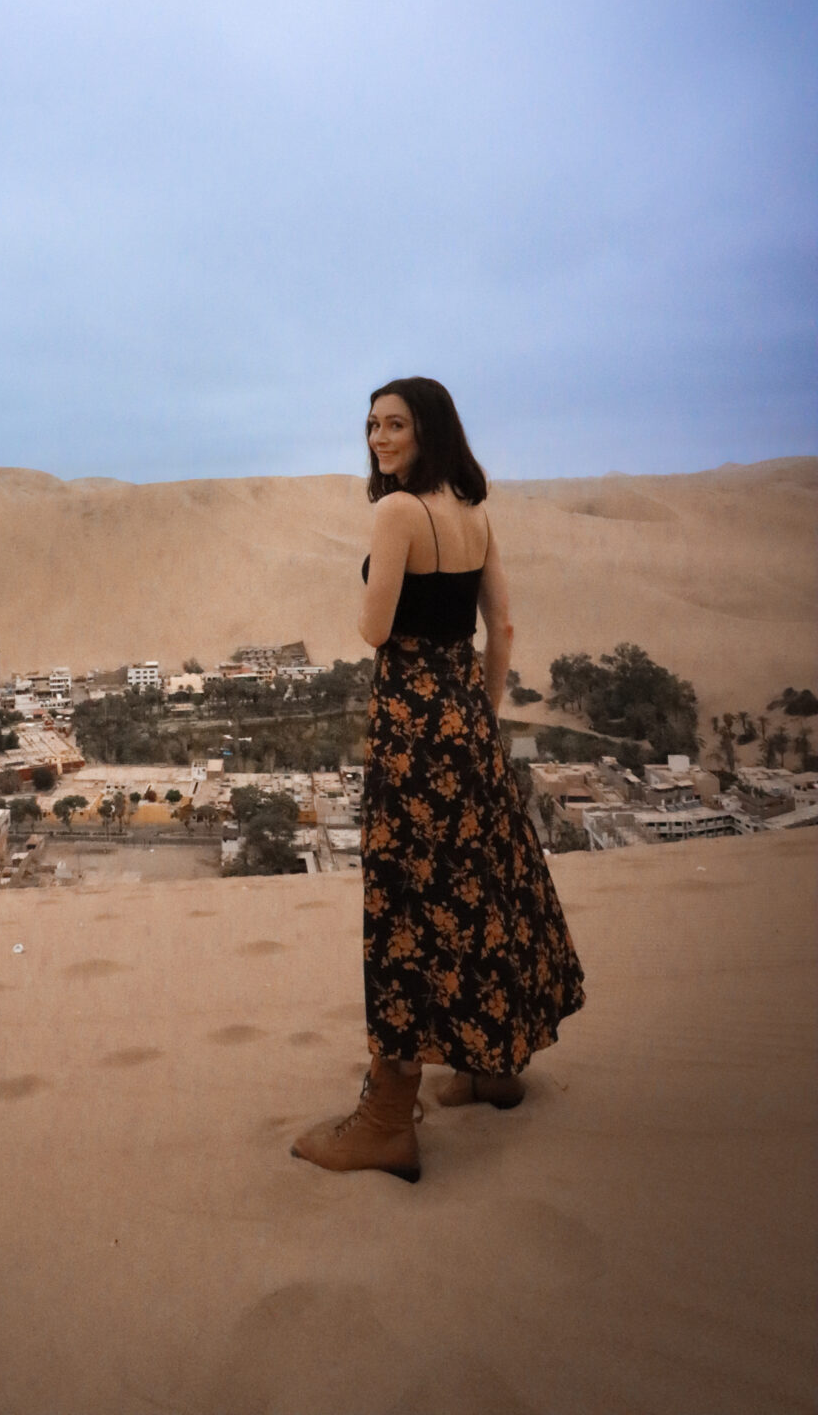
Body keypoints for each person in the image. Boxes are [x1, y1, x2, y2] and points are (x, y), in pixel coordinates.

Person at [291, 377, 585, 1182]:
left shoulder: (398, 514)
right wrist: (481, 722)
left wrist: (373, 579)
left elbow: (374, 627)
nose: (379, 438)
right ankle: (492, 1067)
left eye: (395, 425)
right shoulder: (473, 513)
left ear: (429, 432)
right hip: (468, 726)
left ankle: (388, 1116)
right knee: (480, 891)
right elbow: (505, 628)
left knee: (404, 907)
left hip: (412, 732)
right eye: (373, 425)